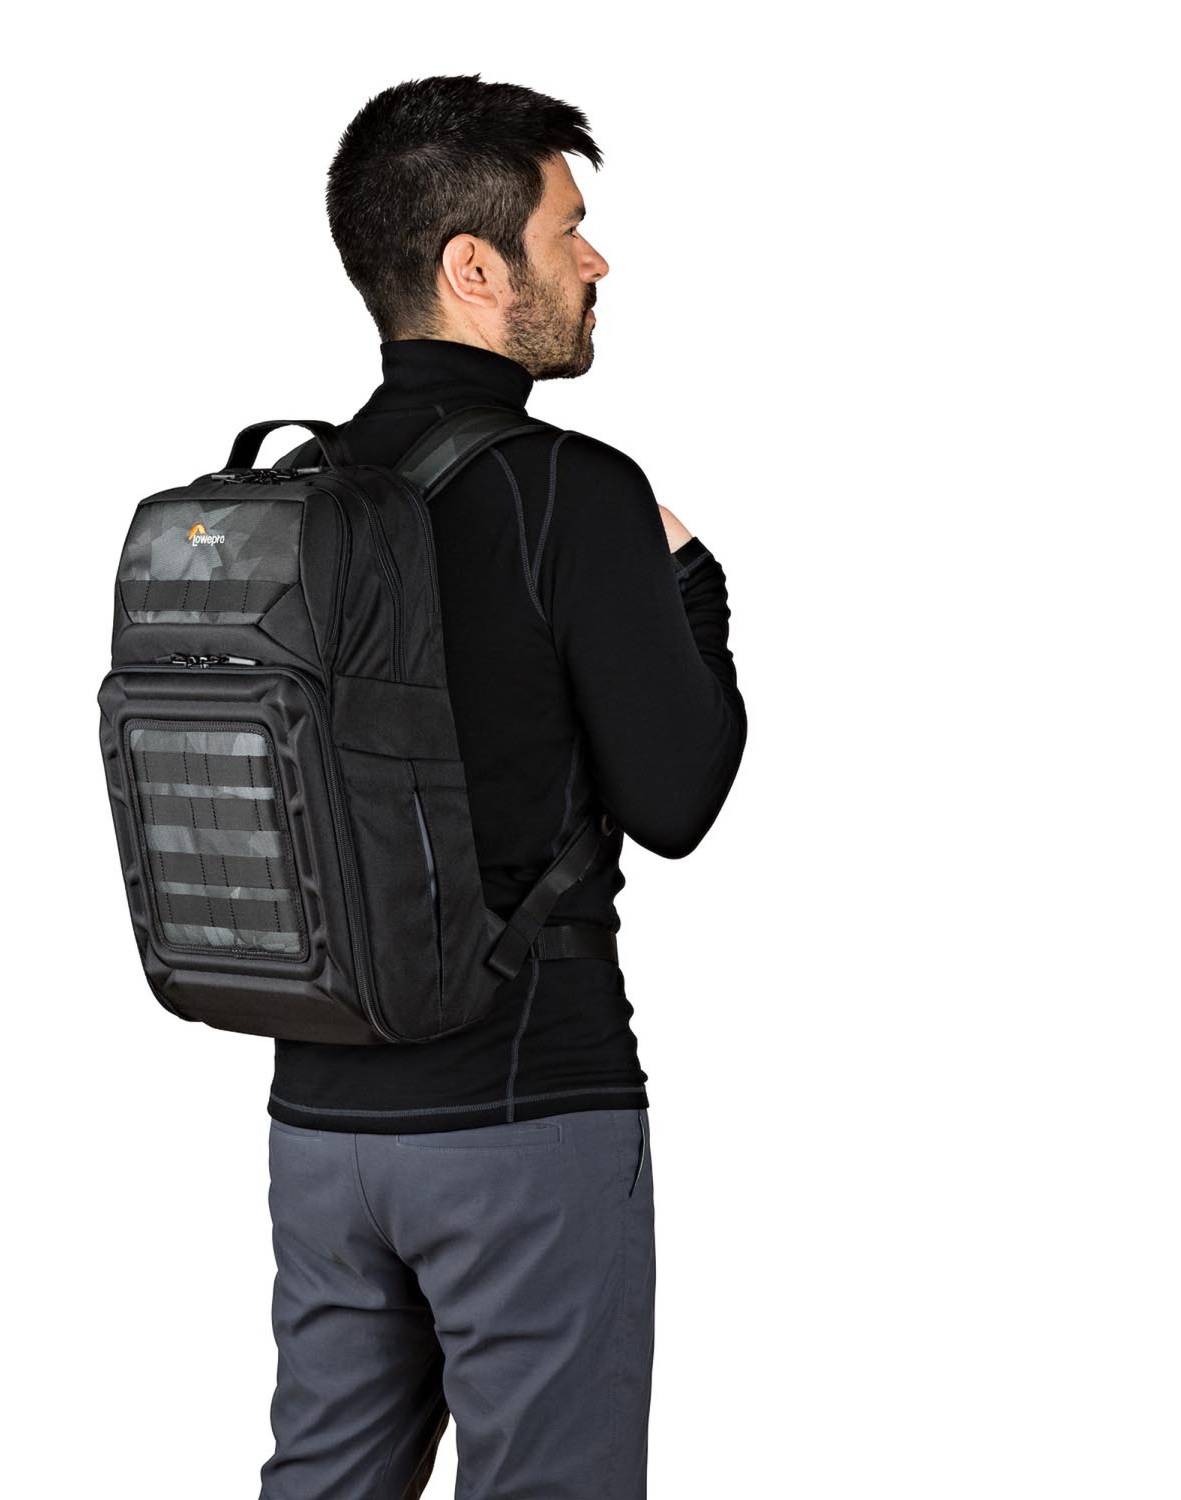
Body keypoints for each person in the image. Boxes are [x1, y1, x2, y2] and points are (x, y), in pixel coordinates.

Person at [257, 74, 748, 1499]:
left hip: (323, 1129)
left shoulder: (298, 495)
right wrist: (693, 590)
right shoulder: (570, 490)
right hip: (526, 1115)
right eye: (566, 228)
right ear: (474, 268)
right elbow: (679, 799)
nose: (596, 261)